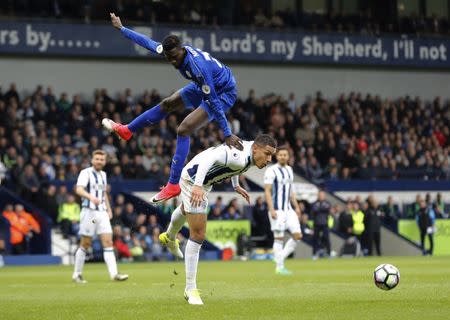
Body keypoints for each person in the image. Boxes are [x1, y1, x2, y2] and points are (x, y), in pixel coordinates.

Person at [103, 13, 243, 204]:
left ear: (182, 50)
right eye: (169, 57)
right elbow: (148, 43)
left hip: (223, 92)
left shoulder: (198, 68)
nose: (172, 61)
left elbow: (215, 102)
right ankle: (127, 130)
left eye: (175, 57)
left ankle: (173, 184)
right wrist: (122, 28)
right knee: (167, 104)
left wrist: (227, 132)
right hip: (202, 84)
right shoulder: (172, 52)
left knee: (183, 129)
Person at [159, 134, 276, 305]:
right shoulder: (240, 156)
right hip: (194, 179)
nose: (269, 159)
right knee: (198, 234)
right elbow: (211, 157)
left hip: (204, 181)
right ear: (256, 148)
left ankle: (169, 237)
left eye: (271, 155)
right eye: (267, 154)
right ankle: (190, 289)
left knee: (186, 209)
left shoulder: (250, 151)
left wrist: (235, 185)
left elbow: (236, 167)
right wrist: (198, 185)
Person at [72, 150, 128, 283]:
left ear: (105, 161)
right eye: (96, 159)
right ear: (92, 160)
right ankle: (77, 274)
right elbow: (78, 189)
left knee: (108, 242)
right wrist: (91, 197)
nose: (99, 161)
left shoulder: (103, 174)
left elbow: (103, 194)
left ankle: (114, 274)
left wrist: (108, 209)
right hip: (89, 211)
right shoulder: (85, 173)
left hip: (102, 212)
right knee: (85, 243)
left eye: (101, 159)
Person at [263, 146, 302, 275]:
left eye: (285, 155)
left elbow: (291, 191)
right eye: (280, 155)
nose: (283, 157)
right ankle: (279, 268)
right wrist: (271, 209)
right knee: (279, 238)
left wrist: (296, 206)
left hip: (289, 210)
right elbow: (267, 191)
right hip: (277, 210)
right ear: (276, 156)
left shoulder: (290, 170)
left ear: (288, 156)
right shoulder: (271, 170)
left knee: (298, 236)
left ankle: (279, 258)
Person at [311, 191, 332, 259]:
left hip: (324, 223)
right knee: (315, 239)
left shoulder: (327, 203)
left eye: (322, 195)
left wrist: (319, 209)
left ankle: (329, 253)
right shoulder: (315, 203)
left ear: (324, 196)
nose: (321, 196)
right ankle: (314, 254)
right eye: (320, 195)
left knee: (326, 239)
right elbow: (314, 210)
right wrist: (322, 209)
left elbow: (327, 209)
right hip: (316, 223)